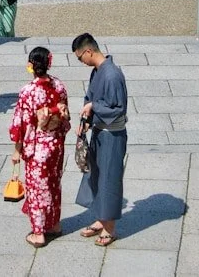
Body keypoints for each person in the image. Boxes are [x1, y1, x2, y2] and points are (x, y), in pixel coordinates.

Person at [9, 46, 70, 248]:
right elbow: (64, 117)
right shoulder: (59, 86)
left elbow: (22, 123)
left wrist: (17, 149)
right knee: (53, 184)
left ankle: (38, 233)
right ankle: (54, 224)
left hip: (38, 147)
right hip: (56, 144)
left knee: (36, 189)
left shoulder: (29, 92)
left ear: (31, 66)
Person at [73, 33, 128, 247]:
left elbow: (118, 109)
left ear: (88, 51)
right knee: (96, 176)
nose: (81, 61)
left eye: (80, 57)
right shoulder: (98, 72)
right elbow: (91, 98)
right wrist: (87, 119)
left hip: (112, 135)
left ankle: (109, 228)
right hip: (98, 131)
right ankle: (100, 218)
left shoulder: (112, 75)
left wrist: (94, 108)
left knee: (110, 179)